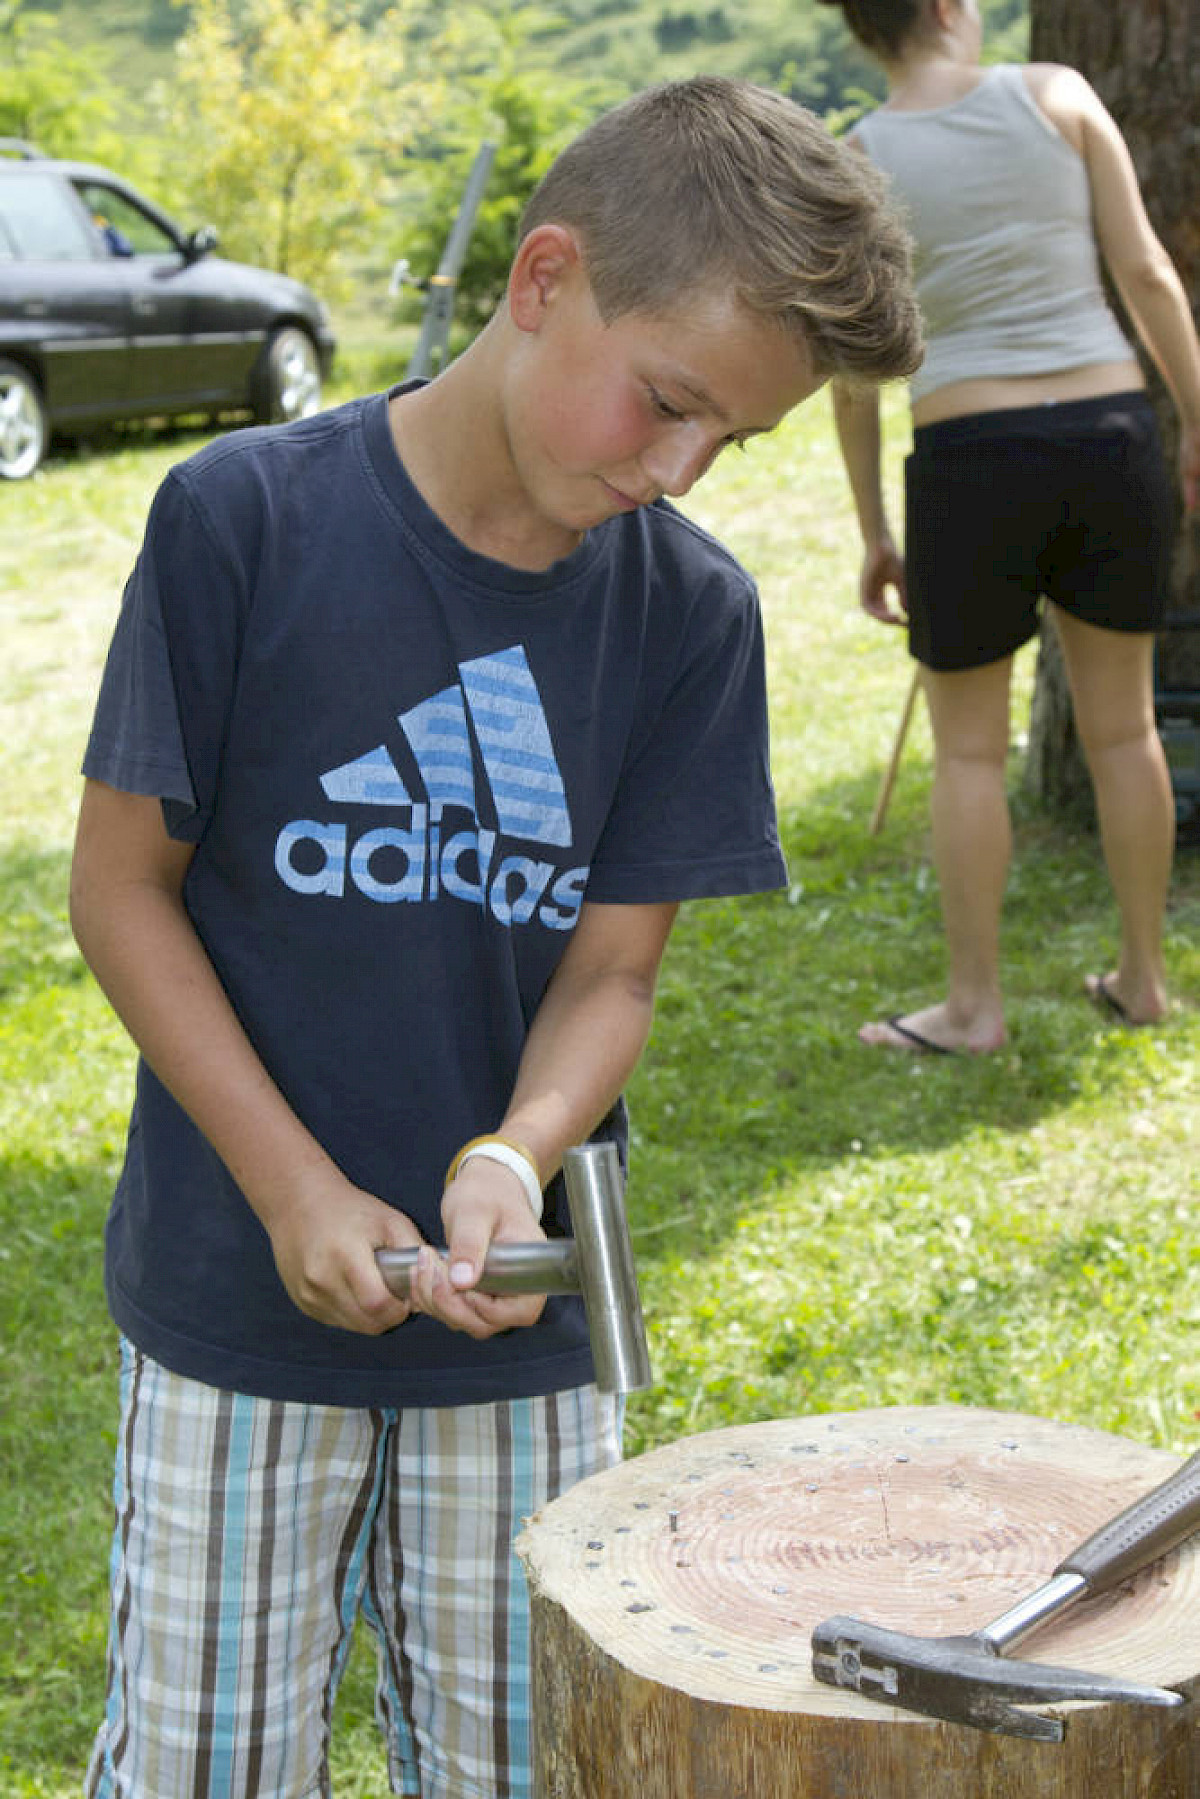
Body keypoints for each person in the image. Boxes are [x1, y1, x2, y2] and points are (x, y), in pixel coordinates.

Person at [70, 75, 922, 1799]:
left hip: (523, 1332)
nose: (678, 471)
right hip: (233, 1297)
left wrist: (512, 1154)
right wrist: (295, 1189)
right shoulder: (245, 519)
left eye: (732, 443)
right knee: (203, 1762)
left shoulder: (690, 614)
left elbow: (612, 970)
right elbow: (120, 890)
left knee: (530, 1758)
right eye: (669, 402)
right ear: (544, 277)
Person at [817, 0, 1200, 1053]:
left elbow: (855, 377)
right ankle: (1144, 979)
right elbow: (1147, 271)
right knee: (1124, 728)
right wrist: (1197, 421)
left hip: (967, 456)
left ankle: (973, 1008)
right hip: (1109, 433)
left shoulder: (859, 161)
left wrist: (874, 528)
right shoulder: (1060, 96)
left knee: (970, 754)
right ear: (948, 6)